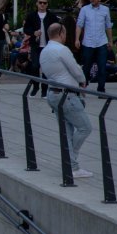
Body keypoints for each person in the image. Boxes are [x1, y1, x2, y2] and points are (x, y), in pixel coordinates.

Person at [40, 23, 94, 178]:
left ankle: (72, 165)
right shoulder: (62, 50)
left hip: (53, 94)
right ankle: (72, 161)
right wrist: (82, 81)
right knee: (85, 128)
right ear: (62, 33)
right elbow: (76, 70)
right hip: (67, 95)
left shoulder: (44, 51)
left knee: (67, 132)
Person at [75, 0, 114, 93]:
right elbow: (79, 24)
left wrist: (110, 41)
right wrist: (77, 39)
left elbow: (108, 26)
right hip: (88, 42)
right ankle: (83, 86)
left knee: (102, 67)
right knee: (86, 67)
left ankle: (101, 89)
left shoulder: (105, 10)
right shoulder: (85, 9)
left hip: (101, 42)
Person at [21, 0, 59, 96]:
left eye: (44, 3)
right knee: (35, 66)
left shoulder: (52, 16)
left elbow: (57, 29)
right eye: (40, 2)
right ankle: (35, 86)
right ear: (37, 4)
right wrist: (33, 33)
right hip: (35, 45)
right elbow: (26, 29)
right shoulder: (31, 15)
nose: (42, 4)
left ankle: (44, 90)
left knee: (46, 68)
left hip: (48, 46)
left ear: (47, 5)